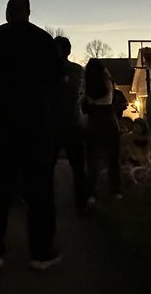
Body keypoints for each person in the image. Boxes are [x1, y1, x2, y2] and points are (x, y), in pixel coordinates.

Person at [0, 0, 64, 270]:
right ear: (28, 12)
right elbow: (57, 82)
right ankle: (41, 251)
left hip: (2, 122)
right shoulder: (43, 40)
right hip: (36, 123)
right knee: (39, 188)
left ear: (9, 12)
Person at [53, 37, 89, 215]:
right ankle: (80, 201)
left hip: (65, 123)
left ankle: (81, 201)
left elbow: (73, 92)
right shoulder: (73, 70)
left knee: (77, 166)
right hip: (61, 124)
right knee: (76, 166)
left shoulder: (72, 70)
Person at [82, 58, 124, 201]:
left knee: (93, 159)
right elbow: (112, 100)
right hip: (109, 120)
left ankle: (90, 193)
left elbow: (84, 107)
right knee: (113, 158)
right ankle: (116, 190)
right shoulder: (108, 83)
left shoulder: (87, 86)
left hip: (94, 122)